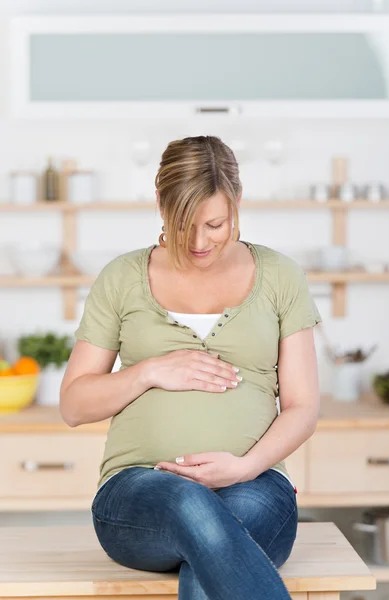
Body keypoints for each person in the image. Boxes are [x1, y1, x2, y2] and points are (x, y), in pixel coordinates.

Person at [60, 135, 321, 600]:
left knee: (213, 543)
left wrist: (244, 467)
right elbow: (74, 405)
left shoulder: (280, 276)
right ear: (160, 202)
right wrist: (149, 371)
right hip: (138, 493)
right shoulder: (122, 278)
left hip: (256, 486)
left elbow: (302, 406)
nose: (200, 242)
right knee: (190, 504)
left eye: (215, 224)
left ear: (237, 201)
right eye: (184, 224)